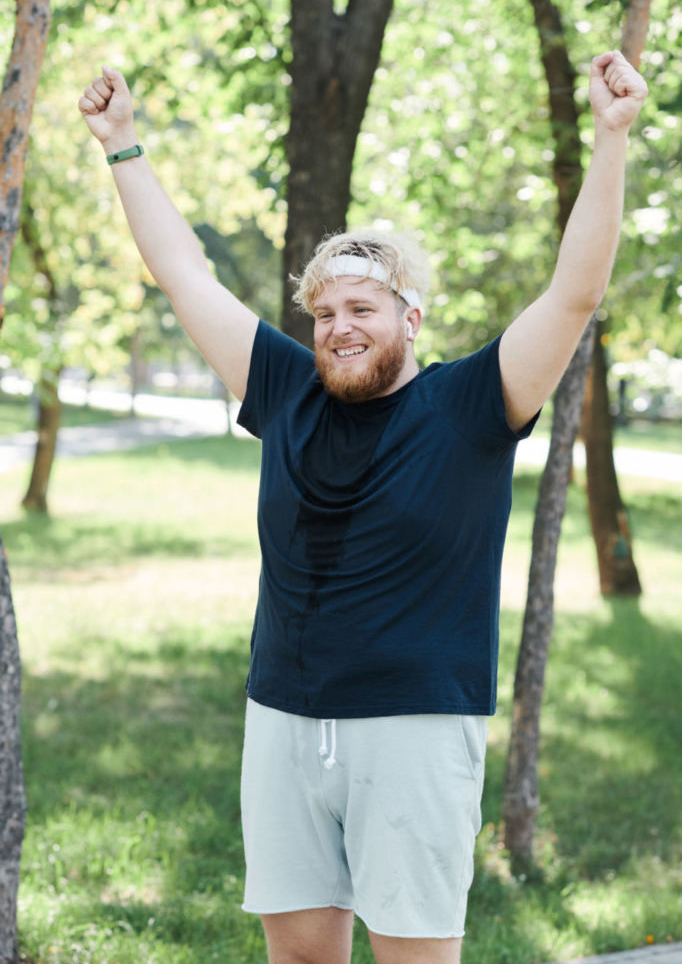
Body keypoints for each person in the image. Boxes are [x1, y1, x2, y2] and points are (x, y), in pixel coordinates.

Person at [79, 50, 647, 964]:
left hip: (415, 726)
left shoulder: (473, 402)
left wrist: (611, 139)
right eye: (324, 312)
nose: (339, 327)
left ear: (410, 318)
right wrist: (122, 146)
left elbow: (574, 292)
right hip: (285, 717)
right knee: (300, 956)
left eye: (363, 308)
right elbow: (187, 277)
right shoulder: (288, 388)